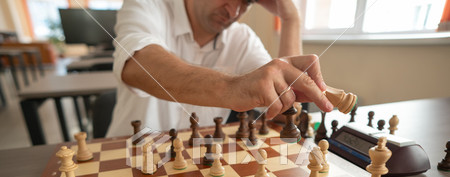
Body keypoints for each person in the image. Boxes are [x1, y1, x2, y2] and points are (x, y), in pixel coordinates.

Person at [106, 0, 333, 137]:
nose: (233, 11)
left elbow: (287, 110)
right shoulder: (148, 5)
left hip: (198, 164)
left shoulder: (242, 38)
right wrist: (233, 87)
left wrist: (291, 18)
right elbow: (137, 64)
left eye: (246, 2)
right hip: (126, 157)